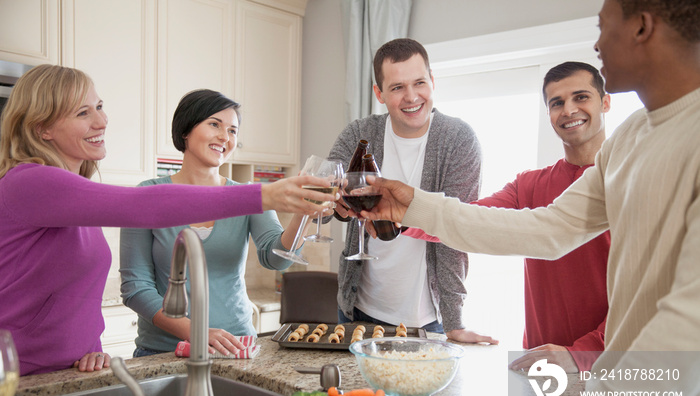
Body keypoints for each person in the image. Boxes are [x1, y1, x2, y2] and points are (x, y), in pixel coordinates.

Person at [362, 0, 700, 396]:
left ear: (642, 26)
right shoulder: (631, 138)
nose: (598, 43)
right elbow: (548, 228)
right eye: (556, 102)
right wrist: (415, 205)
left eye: (603, 27)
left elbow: (690, 325)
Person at [0, 65, 335, 376]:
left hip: (70, 367)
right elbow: (145, 208)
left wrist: (90, 348)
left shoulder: (76, 195)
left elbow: (69, 299)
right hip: (20, 371)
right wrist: (265, 194)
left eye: (99, 107)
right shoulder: (30, 182)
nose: (102, 121)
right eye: (82, 112)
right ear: (42, 128)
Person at [329, 38, 496, 344]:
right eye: (397, 88)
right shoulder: (360, 133)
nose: (411, 97)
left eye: (419, 83)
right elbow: (330, 180)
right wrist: (332, 201)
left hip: (426, 321)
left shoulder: (458, 140)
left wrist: (455, 320)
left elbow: (454, 231)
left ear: (432, 82)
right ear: (379, 93)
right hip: (357, 311)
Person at [120, 89, 311, 357]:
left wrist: (303, 215)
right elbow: (135, 287)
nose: (225, 137)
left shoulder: (248, 195)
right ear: (185, 129)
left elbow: (277, 259)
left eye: (233, 131)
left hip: (235, 346)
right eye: (214, 124)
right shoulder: (147, 195)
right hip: (164, 350)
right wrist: (194, 331)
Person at [475, 62, 611, 373]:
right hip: (538, 367)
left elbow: (647, 296)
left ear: (605, 102)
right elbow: (469, 219)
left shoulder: (634, 182)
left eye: (581, 97)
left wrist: (581, 354)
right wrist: (399, 217)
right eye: (557, 103)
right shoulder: (529, 185)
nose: (569, 110)